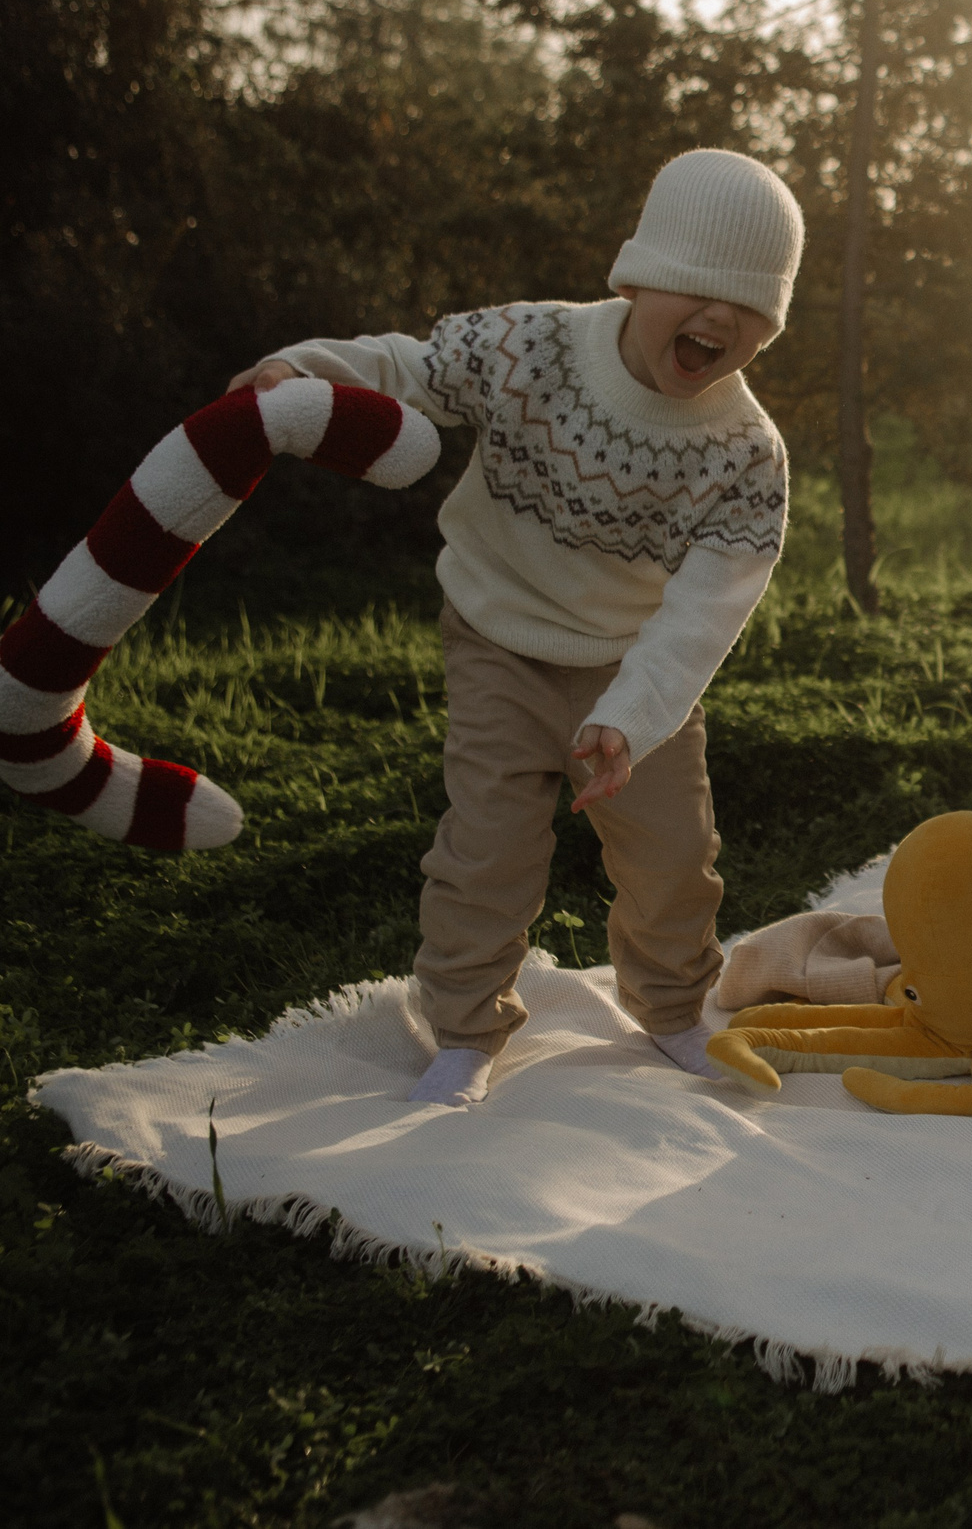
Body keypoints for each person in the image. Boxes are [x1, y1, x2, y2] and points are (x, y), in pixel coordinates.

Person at [231, 149, 801, 1106]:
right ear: (637, 275)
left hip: (637, 666)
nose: (719, 318)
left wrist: (634, 714)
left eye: (750, 308)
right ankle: (465, 1026)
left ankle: (669, 1006)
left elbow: (709, 607)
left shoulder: (745, 450)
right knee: (488, 844)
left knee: (673, 855)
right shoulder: (531, 347)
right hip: (499, 637)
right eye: (698, 289)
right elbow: (408, 368)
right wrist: (309, 370)